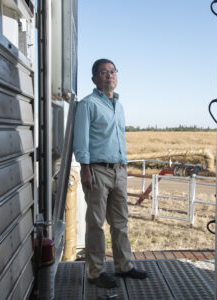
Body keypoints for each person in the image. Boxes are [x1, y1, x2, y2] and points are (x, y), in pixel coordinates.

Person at [73, 58, 147, 288]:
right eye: (104, 72)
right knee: (95, 223)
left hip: (118, 171)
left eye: (113, 72)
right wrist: (85, 168)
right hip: (96, 170)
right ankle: (95, 272)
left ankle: (123, 266)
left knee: (120, 222)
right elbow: (81, 139)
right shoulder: (87, 105)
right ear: (94, 78)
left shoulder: (119, 106)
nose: (109, 75)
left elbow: (119, 138)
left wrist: (123, 163)